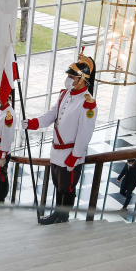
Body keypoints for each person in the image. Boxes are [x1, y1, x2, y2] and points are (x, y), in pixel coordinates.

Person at [27, 51, 97, 225]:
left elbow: (85, 132)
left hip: (70, 153)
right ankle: (57, 214)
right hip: (57, 152)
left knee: (67, 188)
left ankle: (62, 216)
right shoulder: (64, 94)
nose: (68, 78)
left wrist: (75, 155)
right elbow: (51, 115)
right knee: (59, 186)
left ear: (83, 79)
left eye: (72, 76)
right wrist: (31, 123)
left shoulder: (88, 103)